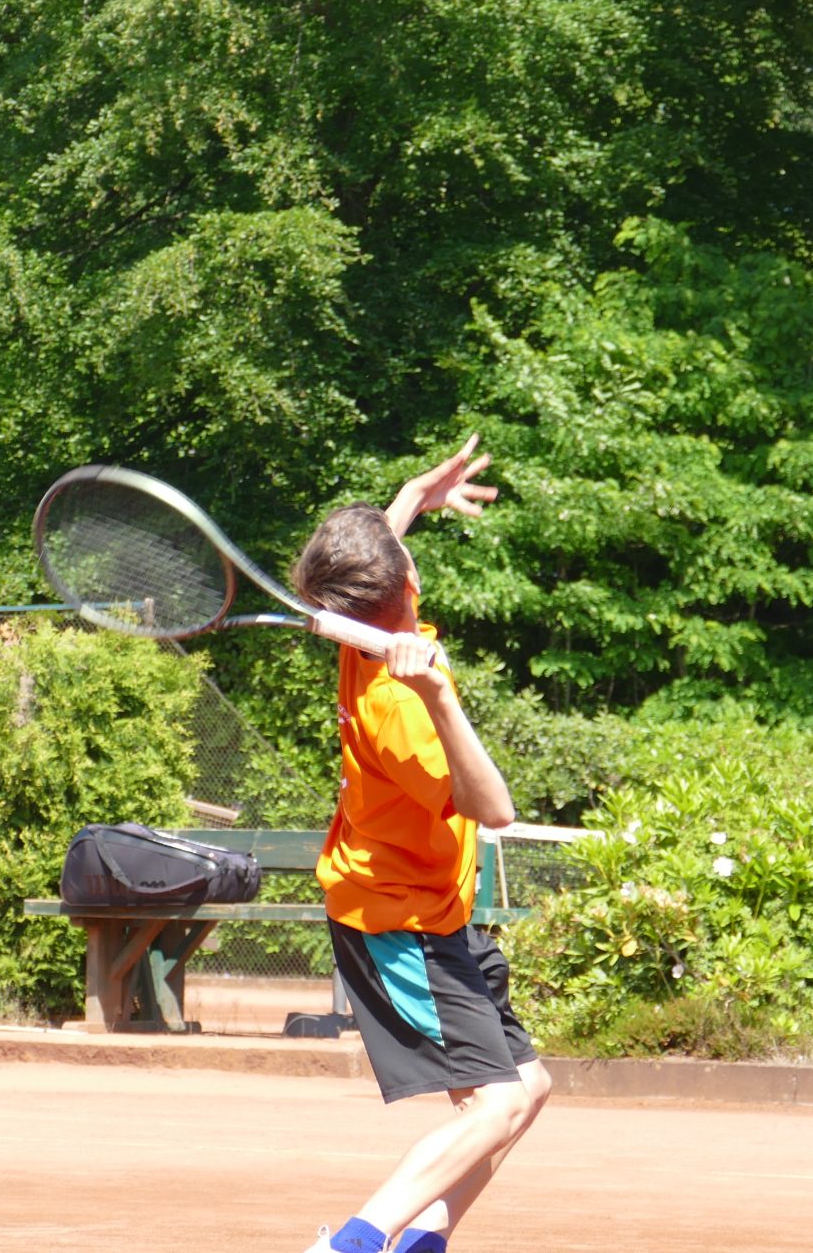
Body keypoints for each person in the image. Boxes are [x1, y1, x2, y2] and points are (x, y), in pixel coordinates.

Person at [294, 436, 548, 1253]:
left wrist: (411, 495)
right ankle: (348, 1246)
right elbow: (495, 806)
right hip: (400, 922)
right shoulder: (399, 704)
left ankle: (417, 1245)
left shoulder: (354, 626)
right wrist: (438, 693)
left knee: (528, 1086)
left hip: (433, 910)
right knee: (495, 1106)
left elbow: (370, 561)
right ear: (410, 585)